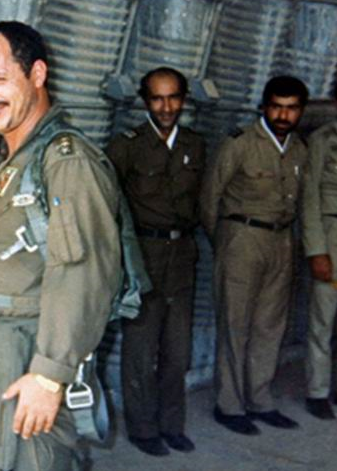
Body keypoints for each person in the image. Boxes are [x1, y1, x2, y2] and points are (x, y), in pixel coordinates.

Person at [0, 21, 123, 471]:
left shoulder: (65, 161)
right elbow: (22, 266)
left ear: (37, 74)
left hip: (35, 364)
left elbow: (82, 273)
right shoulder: (18, 156)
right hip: (11, 355)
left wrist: (50, 376)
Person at [200, 75, 308, 435]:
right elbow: (210, 198)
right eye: (276, 106)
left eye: (291, 108)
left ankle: (260, 400)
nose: (283, 115)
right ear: (264, 107)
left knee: (270, 325)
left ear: (301, 111)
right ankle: (229, 405)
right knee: (236, 323)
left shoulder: (298, 149)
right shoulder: (240, 143)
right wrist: (226, 242)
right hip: (242, 238)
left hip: (281, 240)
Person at [105, 67, 205, 456]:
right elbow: (108, 204)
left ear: (183, 100)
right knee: (141, 350)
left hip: (181, 256)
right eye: (158, 99)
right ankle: (143, 428)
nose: (166, 107)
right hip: (142, 255)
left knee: (177, 350)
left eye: (173, 97)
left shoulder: (195, 144)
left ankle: (172, 424)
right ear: (146, 102)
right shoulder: (127, 146)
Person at [301, 114, 337, 420]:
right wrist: (317, 251)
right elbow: (310, 197)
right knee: (323, 320)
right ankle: (318, 391)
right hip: (331, 237)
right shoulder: (323, 139)